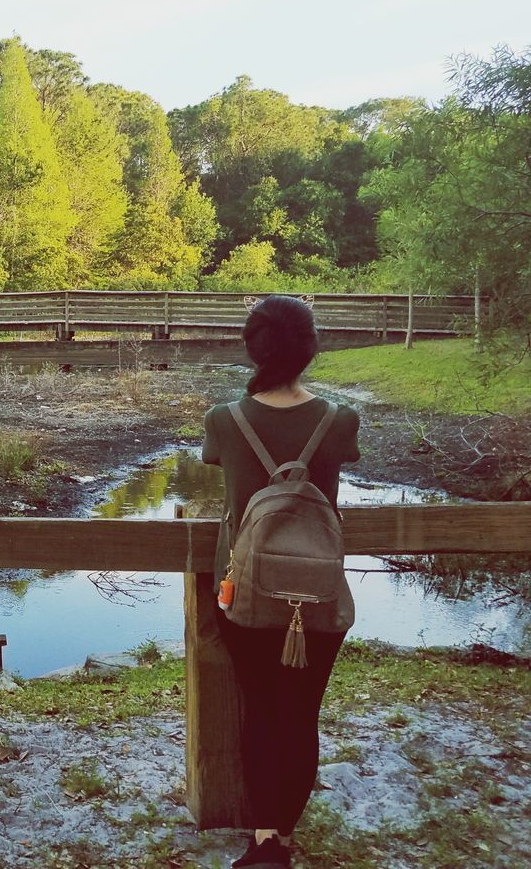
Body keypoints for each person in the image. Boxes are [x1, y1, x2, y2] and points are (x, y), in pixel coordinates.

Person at [201, 294, 360, 869]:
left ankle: (265, 840)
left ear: (253, 347)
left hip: (244, 592)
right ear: (311, 348)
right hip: (316, 596)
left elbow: (219, 463)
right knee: (300, 716)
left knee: (259, 711)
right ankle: (282, 839)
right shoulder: (340, 420)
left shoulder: (226, 418)